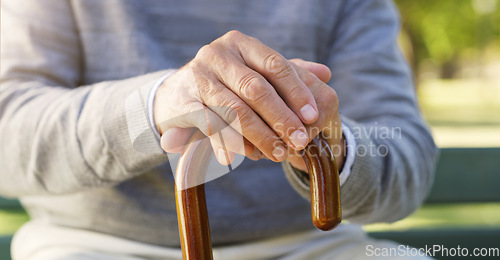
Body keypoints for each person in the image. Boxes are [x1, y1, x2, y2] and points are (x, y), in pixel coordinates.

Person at [0, 0, 438, 259]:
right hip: (96, 245)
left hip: (311, 247)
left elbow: (404, 150)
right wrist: (156, 104)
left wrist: (333, 148)